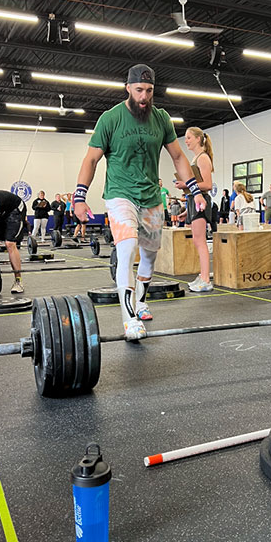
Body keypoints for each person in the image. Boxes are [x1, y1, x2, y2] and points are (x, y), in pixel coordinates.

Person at [72, 63, 206, 341]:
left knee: (149, 254)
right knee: (128, 247)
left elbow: (179, 158)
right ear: (128, 89)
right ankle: (129, 318)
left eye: (149, 90)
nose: (144, 97)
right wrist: (80, 197)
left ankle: (141, 302)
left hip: (151, 197)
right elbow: (91, 159)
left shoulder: (161, 119)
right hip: (120, 194)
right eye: (139, 90)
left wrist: (195, 191)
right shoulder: (110, 119)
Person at [175, 126, 214, 292]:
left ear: (198, 139)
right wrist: (186, 210)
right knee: (197, 241)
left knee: (200, 241)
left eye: (189, 137)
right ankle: (202, 275)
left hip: (201, 201)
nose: (186, 141)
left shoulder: (202, 158)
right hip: (192, 201)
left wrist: (185, 184)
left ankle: (206, 279)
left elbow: (208, 185)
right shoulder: (195, 159)